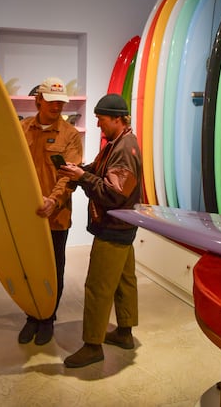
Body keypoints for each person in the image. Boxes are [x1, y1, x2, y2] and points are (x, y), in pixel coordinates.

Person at [59, 93, 142, 368]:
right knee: (124, 281)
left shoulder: (124, 147)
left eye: (101, 119)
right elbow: (99, 170)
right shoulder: (116, 143)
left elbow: (114, 193)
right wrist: (80, 171)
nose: (98, 125)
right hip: (123, 225)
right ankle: (125, 332)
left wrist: (83, 178)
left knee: (97, 286)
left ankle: (92, 345)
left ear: (117, 119)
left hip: (113, 227)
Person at [18, 77, 83, 346]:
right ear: (39, 100)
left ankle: (48, 317)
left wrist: (53, 201)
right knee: (28, 268)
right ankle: (31, 315)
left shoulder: (70, 135)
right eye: (53, 101)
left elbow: (69, 175)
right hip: (25, 216)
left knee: (54, 268)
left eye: (62, 102)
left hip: (56, 216)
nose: (58, 106)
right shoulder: (20, 129)